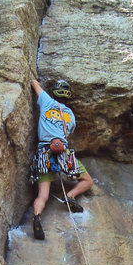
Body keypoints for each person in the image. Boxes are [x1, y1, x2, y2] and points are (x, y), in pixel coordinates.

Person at [29, 78, 93, 240]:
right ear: (68, 95)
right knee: (87, 180)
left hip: (44, 152)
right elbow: (68, 132)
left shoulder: (46, 101)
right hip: (63, 152)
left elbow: (34, 84)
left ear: (54, 92)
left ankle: (37, 217)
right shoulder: (69, 114)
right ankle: (70, 196)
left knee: (43, 195)